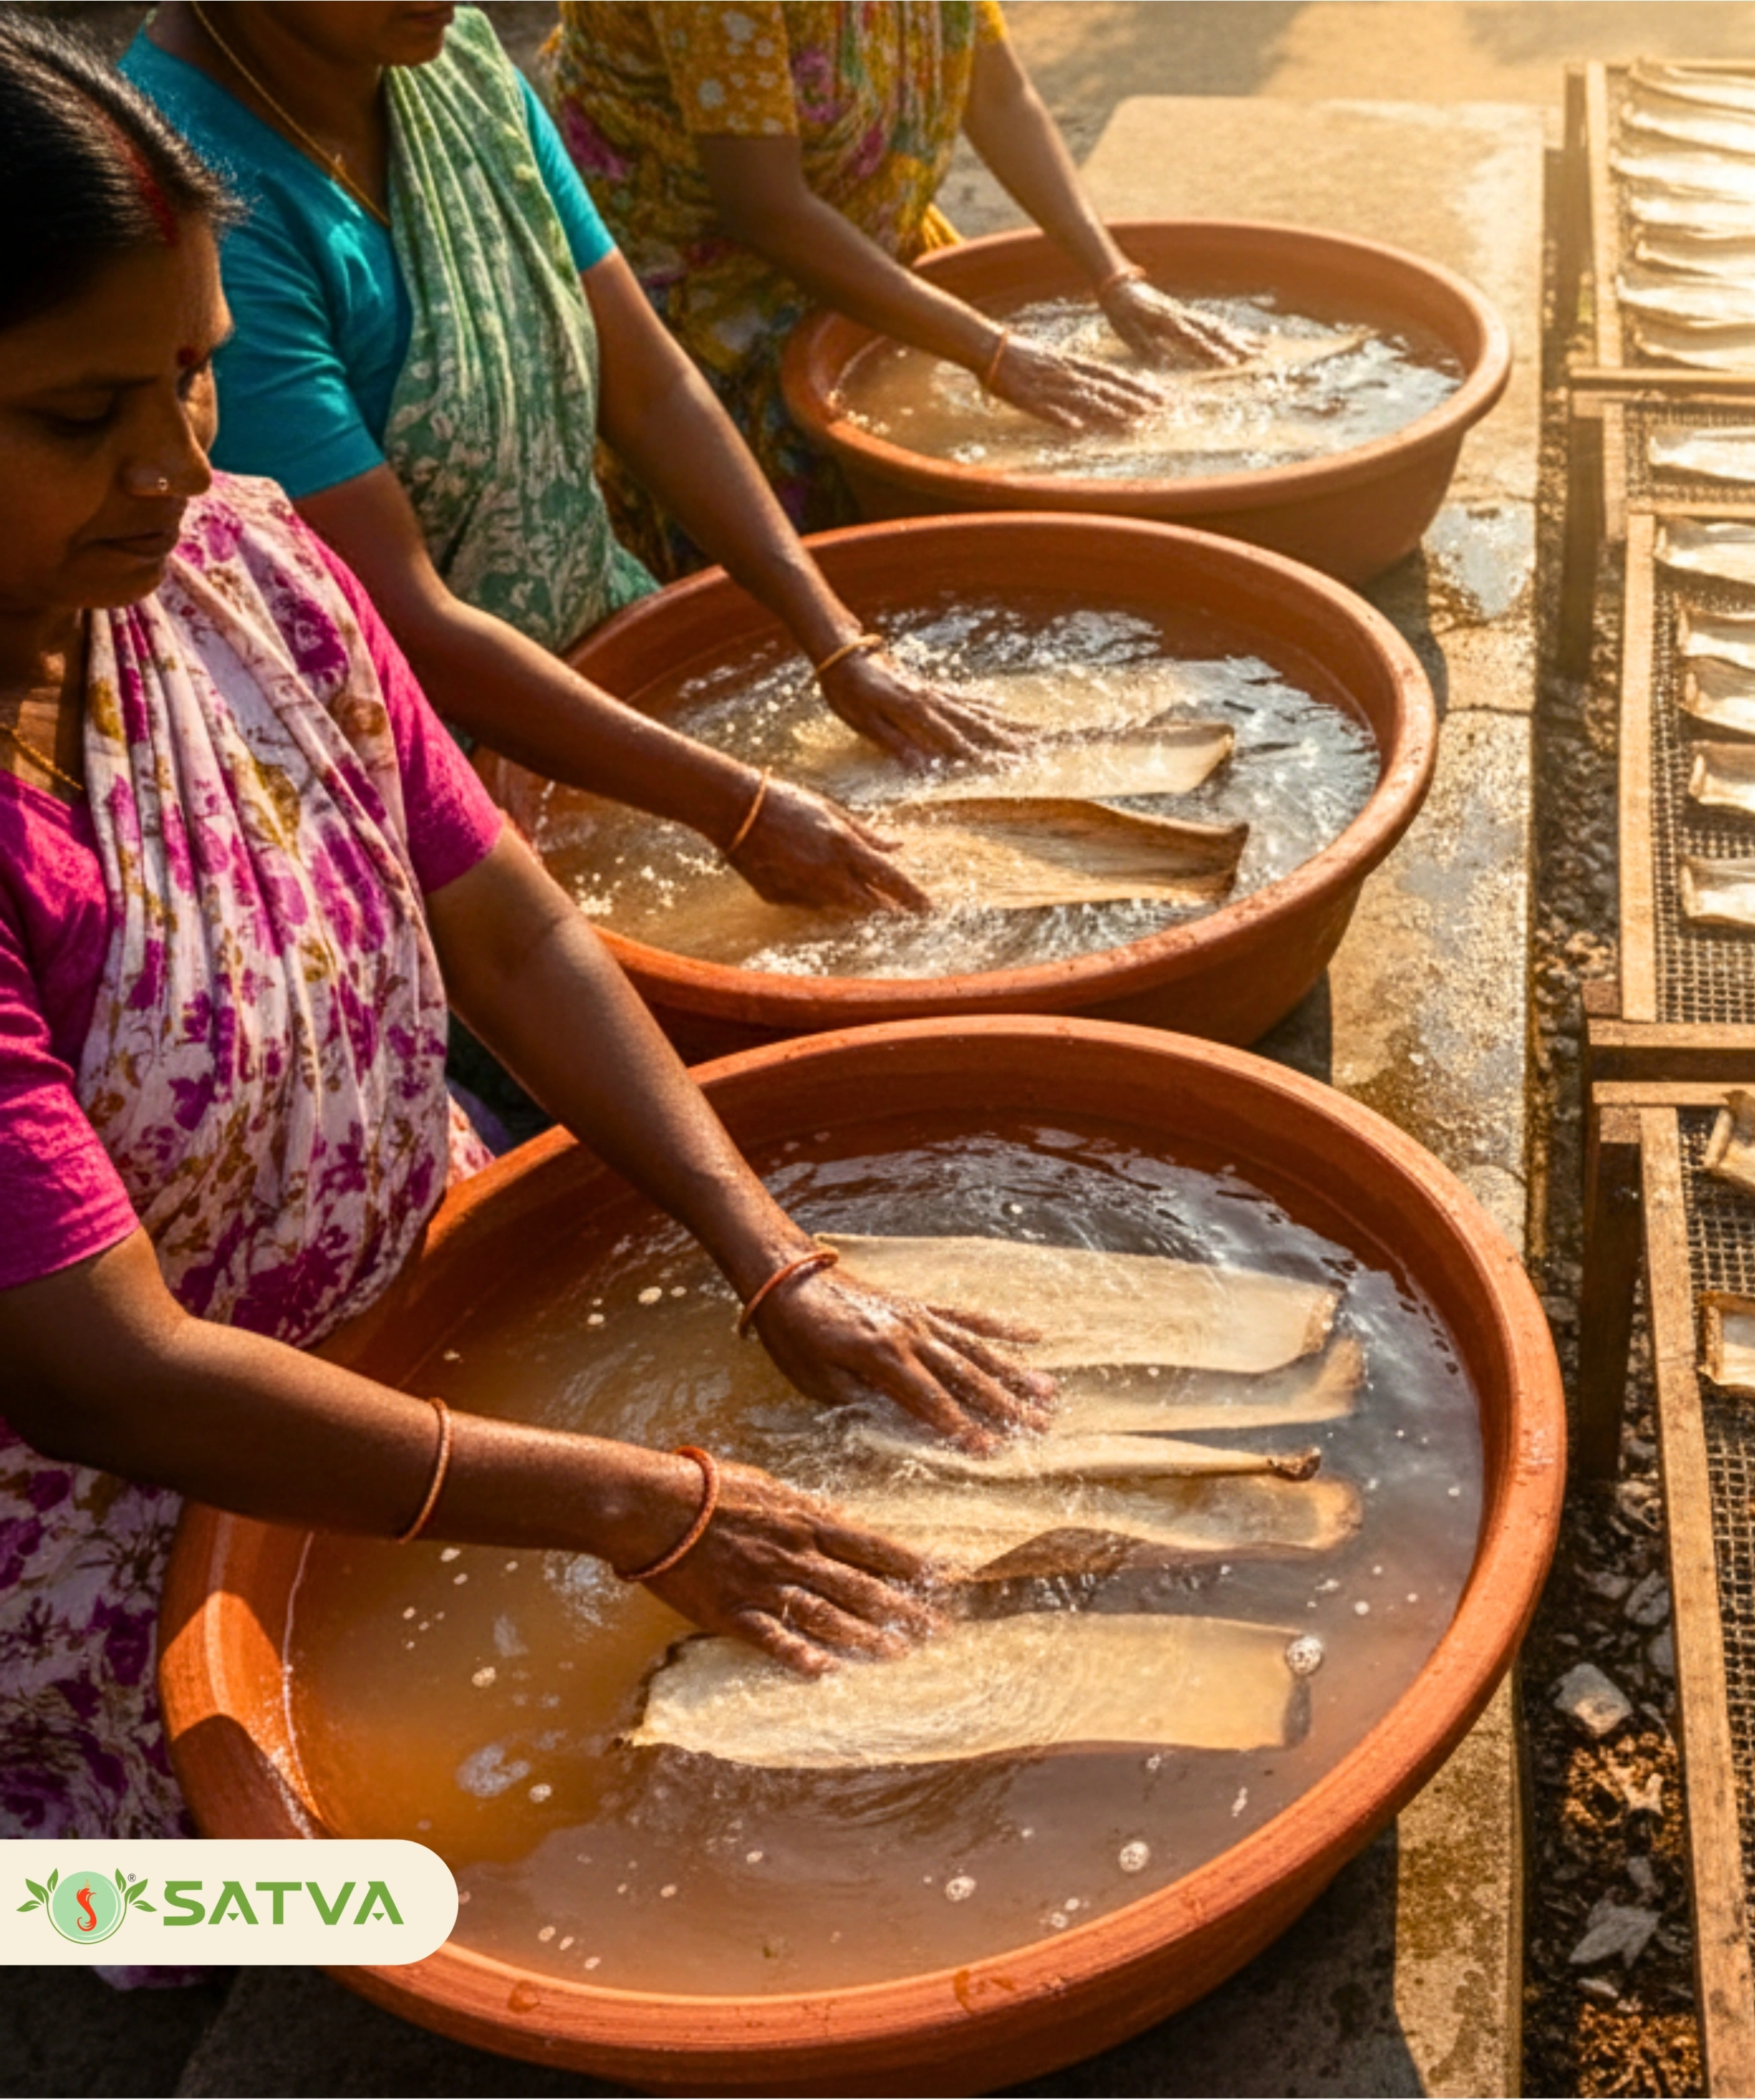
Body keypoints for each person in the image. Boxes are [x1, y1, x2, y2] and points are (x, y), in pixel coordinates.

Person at [0, 17, 1049, 1862]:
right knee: (372, 1910)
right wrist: (637, 1504)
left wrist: (771, 1253)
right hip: (121, 1564)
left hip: (445, 1349)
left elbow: (505, 924)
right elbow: (109, 1370)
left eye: (195, 376)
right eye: (83, 417)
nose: (172, 461)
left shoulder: (247, 572)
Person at [124, 3, 1009, 917]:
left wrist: (833, 637)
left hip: (598, 649)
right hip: (393, 784)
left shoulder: (456, 64)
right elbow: (403, 621)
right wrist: (737, 808)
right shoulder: (192, 198)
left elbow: (650, 385)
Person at [547, 0, 1252, 532]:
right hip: (704, 311)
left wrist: (1113, 275)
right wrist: (993, 350)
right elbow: (765, 208)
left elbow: (997, 92)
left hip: (870, 245)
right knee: (789, 566)